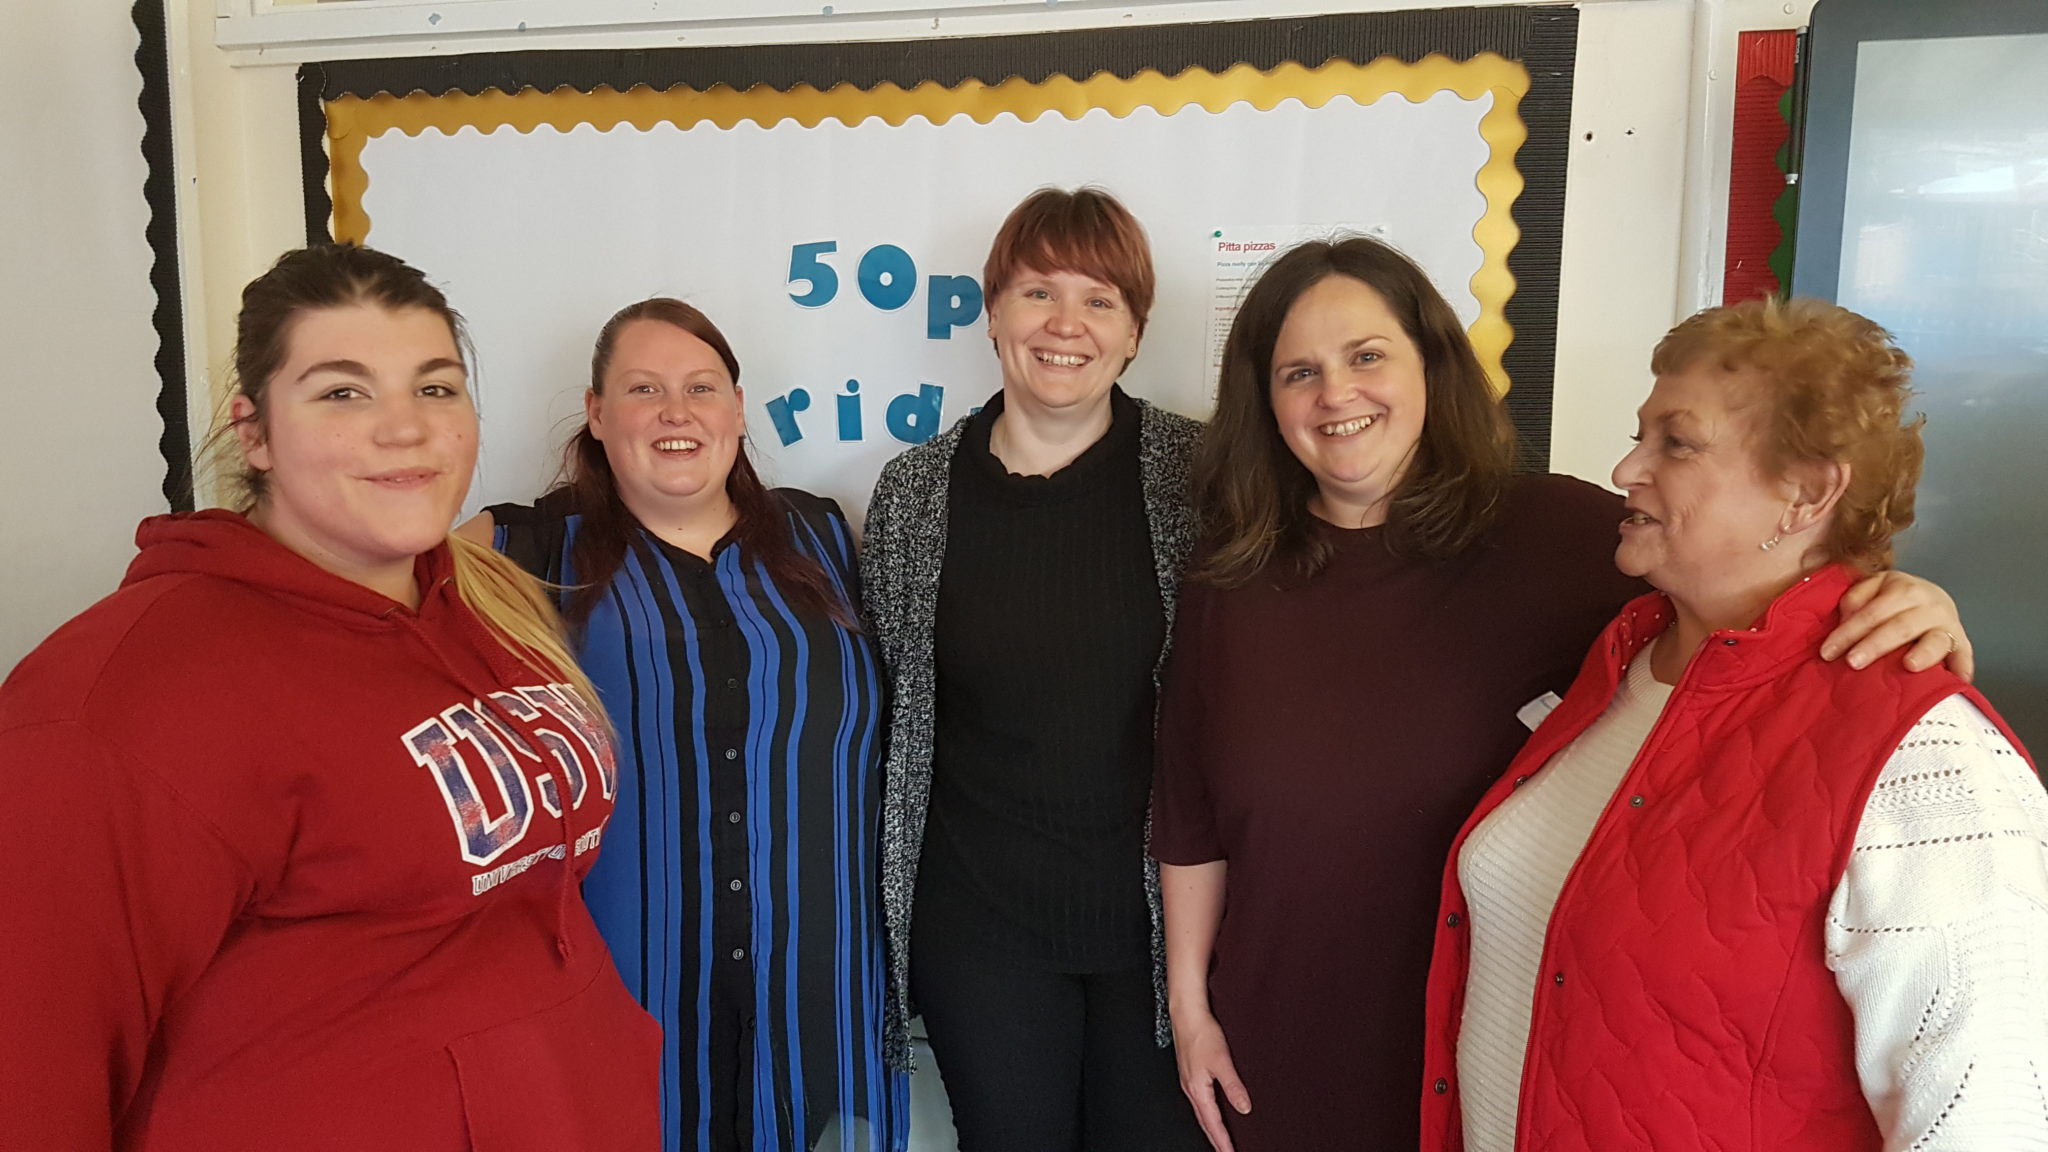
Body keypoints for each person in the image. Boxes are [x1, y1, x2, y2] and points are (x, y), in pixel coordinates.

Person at [1150, 238, 1976, 1152]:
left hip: (1484, 1049)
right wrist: (1191, 1012)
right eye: (1298, 371)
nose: (1335, 393)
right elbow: (1190, 818)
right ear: (1265, 404)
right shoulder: (1229, 580)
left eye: (1368, 355)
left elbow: (1762, 597)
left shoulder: (1568, 535)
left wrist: (1898, 591)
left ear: (1434, 365)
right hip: (1278, 1038)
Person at [0, 243, 660, 1151]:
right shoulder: (124, 698)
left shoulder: (485, 599)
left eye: (435, 387)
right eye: (343, 392)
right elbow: (31, 1068)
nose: (406, 429)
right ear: (255, 432)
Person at [1420, 298, 2047, 1151]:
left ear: (1808, 491)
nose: (1624, 467)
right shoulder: (1619, 666)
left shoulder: (1929, 760)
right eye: (1642, 434)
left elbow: (1985, 1119)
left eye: (1676, 443)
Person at [461, 299, 903, 1152]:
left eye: (702, 387)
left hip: (819, 998)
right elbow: (359, 627)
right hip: (624, 990)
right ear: (595, 414)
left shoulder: (822, 536)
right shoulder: (523, 552)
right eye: (643, 389)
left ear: (737, 410)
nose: (677, 411)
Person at [862, 187, 1207, 1151]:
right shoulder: (915, 492)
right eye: (1037, 292)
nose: (1066, 324)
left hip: (1155, 931)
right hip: (981, 929)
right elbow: (897, 713)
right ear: (992, 312)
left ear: (1136, 331)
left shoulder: (1202, 475)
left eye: (1100, 300)